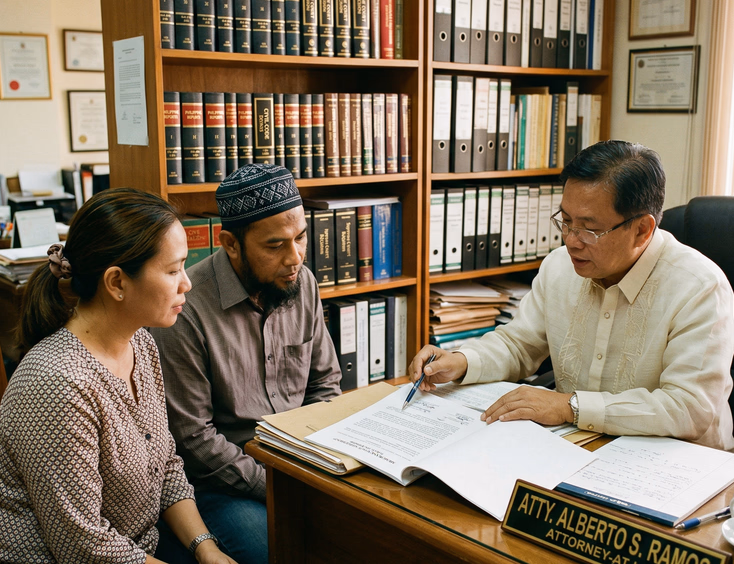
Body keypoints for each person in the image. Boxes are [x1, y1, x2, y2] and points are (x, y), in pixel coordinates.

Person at [409, 140, 734, 451]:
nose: (571, 241)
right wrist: (462, 361)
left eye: (589, 229)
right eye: (565, 220)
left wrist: (570, 406)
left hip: (677, 464)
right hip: (576, 445)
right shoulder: (559, 267)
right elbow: (518, 344)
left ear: (642, 230)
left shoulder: (699, 288)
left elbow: (688, 408)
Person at [0, 188, 237, 564]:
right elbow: (83, 546)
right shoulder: (55, 384)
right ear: (116, 283)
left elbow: (166, 465)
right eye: (174, 270)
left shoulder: (140, 343)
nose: (186, 283)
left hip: (140, 547)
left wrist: (206, 548)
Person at [150, 164, 342, 563]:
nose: (295, 258)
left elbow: (325, 385)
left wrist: (321, 463)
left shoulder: (301, 281)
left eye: (301, 238)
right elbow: (194, 438)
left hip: (303, 464)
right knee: (280, 548)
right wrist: (280, 482)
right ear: (231, 244)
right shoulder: (186, 309)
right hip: (222, 483)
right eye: (275, 246)